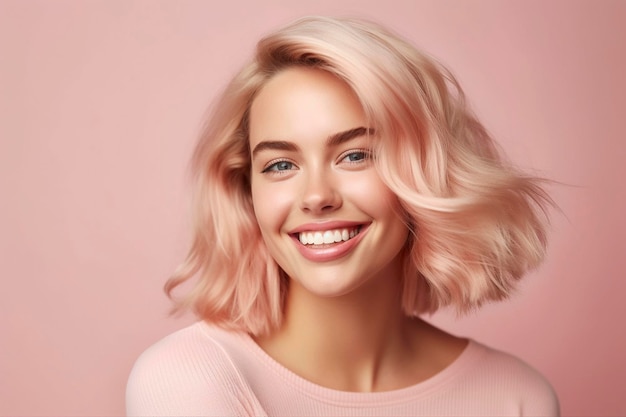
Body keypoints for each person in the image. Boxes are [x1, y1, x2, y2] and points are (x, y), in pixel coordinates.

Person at [126, 16, 559, 416]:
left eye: (355, 155)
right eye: (280, 165)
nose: (316, 197)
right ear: (246, 189)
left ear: (429, 173)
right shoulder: (190, 380)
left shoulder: (516, 397)